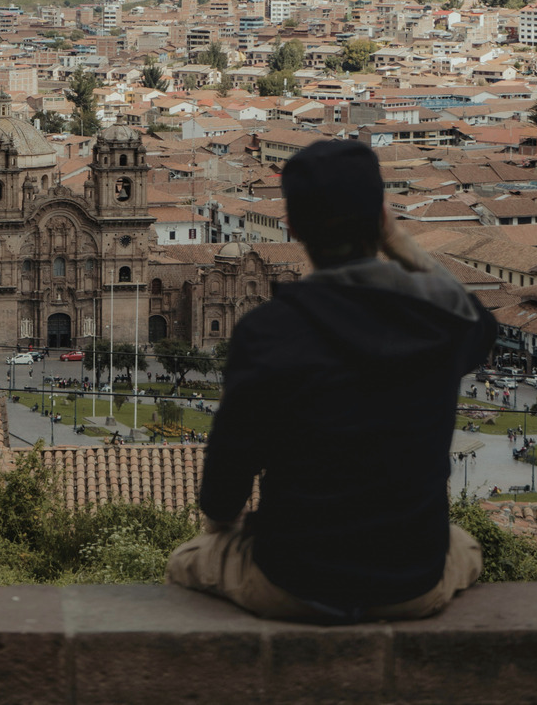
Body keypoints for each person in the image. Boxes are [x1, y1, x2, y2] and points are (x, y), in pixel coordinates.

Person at [167, 138, 496, 624]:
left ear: (294, 228)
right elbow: (480, 323)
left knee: (186, 560)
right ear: (381, 219)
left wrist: (220, 532)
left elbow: (222, 496)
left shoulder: (268, 329)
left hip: (295, 579)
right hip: (412, 579)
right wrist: (400, 243)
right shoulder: (436, 320)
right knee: (464, 544)